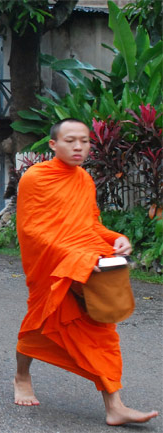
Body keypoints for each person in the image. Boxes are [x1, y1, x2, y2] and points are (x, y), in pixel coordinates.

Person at [13, 118, 158, 426]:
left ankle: (114, 406)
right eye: (70, 140)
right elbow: (31, 230)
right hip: (52, 266)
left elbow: (90, 224)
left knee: (102, 331)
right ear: (53, 144)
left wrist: (115, 238)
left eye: (85, 141)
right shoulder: (35, 178)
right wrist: (74, 256)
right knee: (37, 325)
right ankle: (21, 375)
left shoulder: (84, 180)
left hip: (85, 263)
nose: (79, 146)